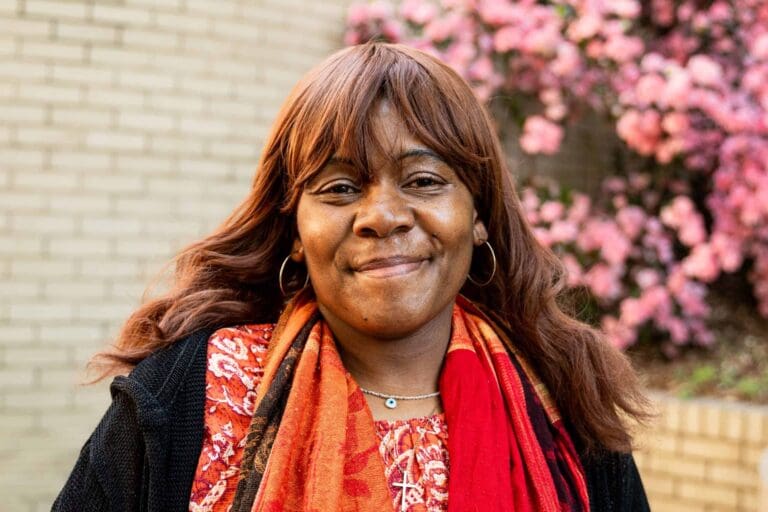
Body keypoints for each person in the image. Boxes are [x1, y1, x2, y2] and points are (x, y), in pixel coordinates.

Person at [53, 42, 651, 512]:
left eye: (423, 181)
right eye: (339, 188)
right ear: (293, 227)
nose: (383, 218)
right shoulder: (190, 395)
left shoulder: (562, 400)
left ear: (479, 215)